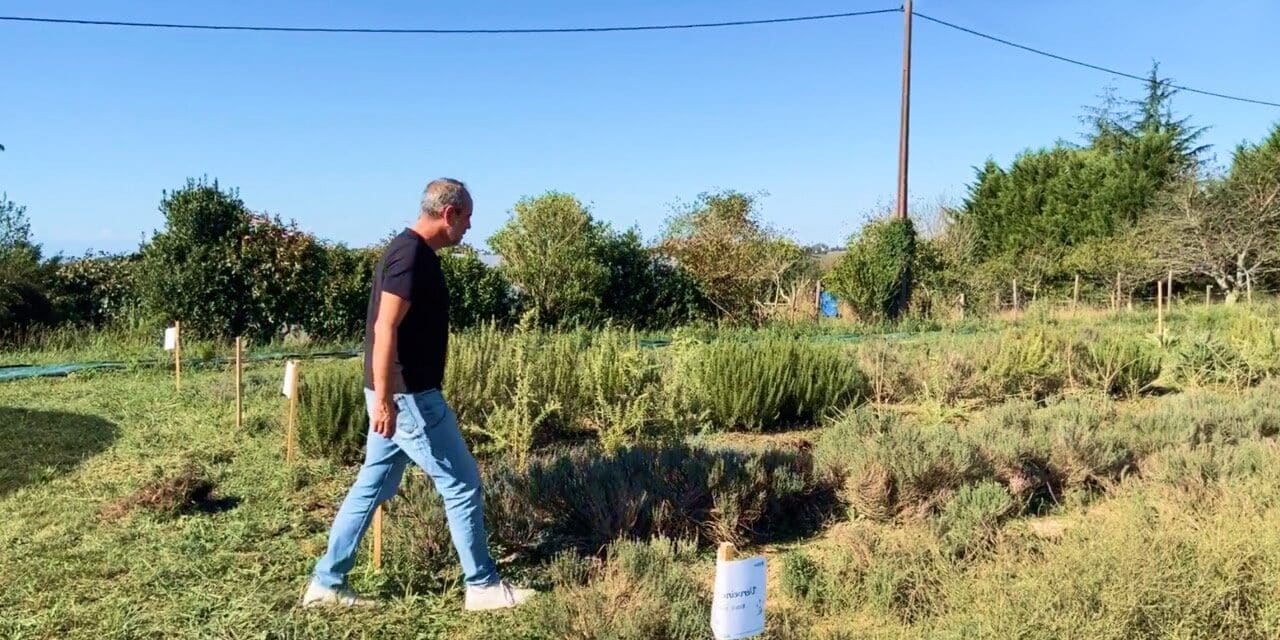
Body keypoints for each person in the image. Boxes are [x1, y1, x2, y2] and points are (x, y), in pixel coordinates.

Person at [301, 178, 534, 611]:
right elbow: (384, 327)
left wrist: (383, 396)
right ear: (449, 213)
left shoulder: (410, 252)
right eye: (466, 218)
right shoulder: (409, 256)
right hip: (409, 398)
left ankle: (326, 583)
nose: (468, 228)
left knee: (372, 484)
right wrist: (388, 400)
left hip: (397, 395)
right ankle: (482, 586)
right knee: (462, 485)